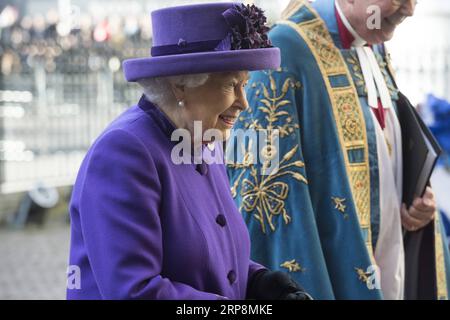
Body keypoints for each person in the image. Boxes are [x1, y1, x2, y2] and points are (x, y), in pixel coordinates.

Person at [66, 2, 313, 300]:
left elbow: (211, 259)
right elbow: (134, 292)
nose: (243, 102)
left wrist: (259, 282)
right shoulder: (125, 152)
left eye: (244, 84)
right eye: (231, 85)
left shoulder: (202, 138)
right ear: (180, 85)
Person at [227, 0, 450, 299]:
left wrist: (417, 200)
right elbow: (267, 203)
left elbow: (385, 155)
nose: (409, 9)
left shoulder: (374, 45)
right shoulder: (285, 50)